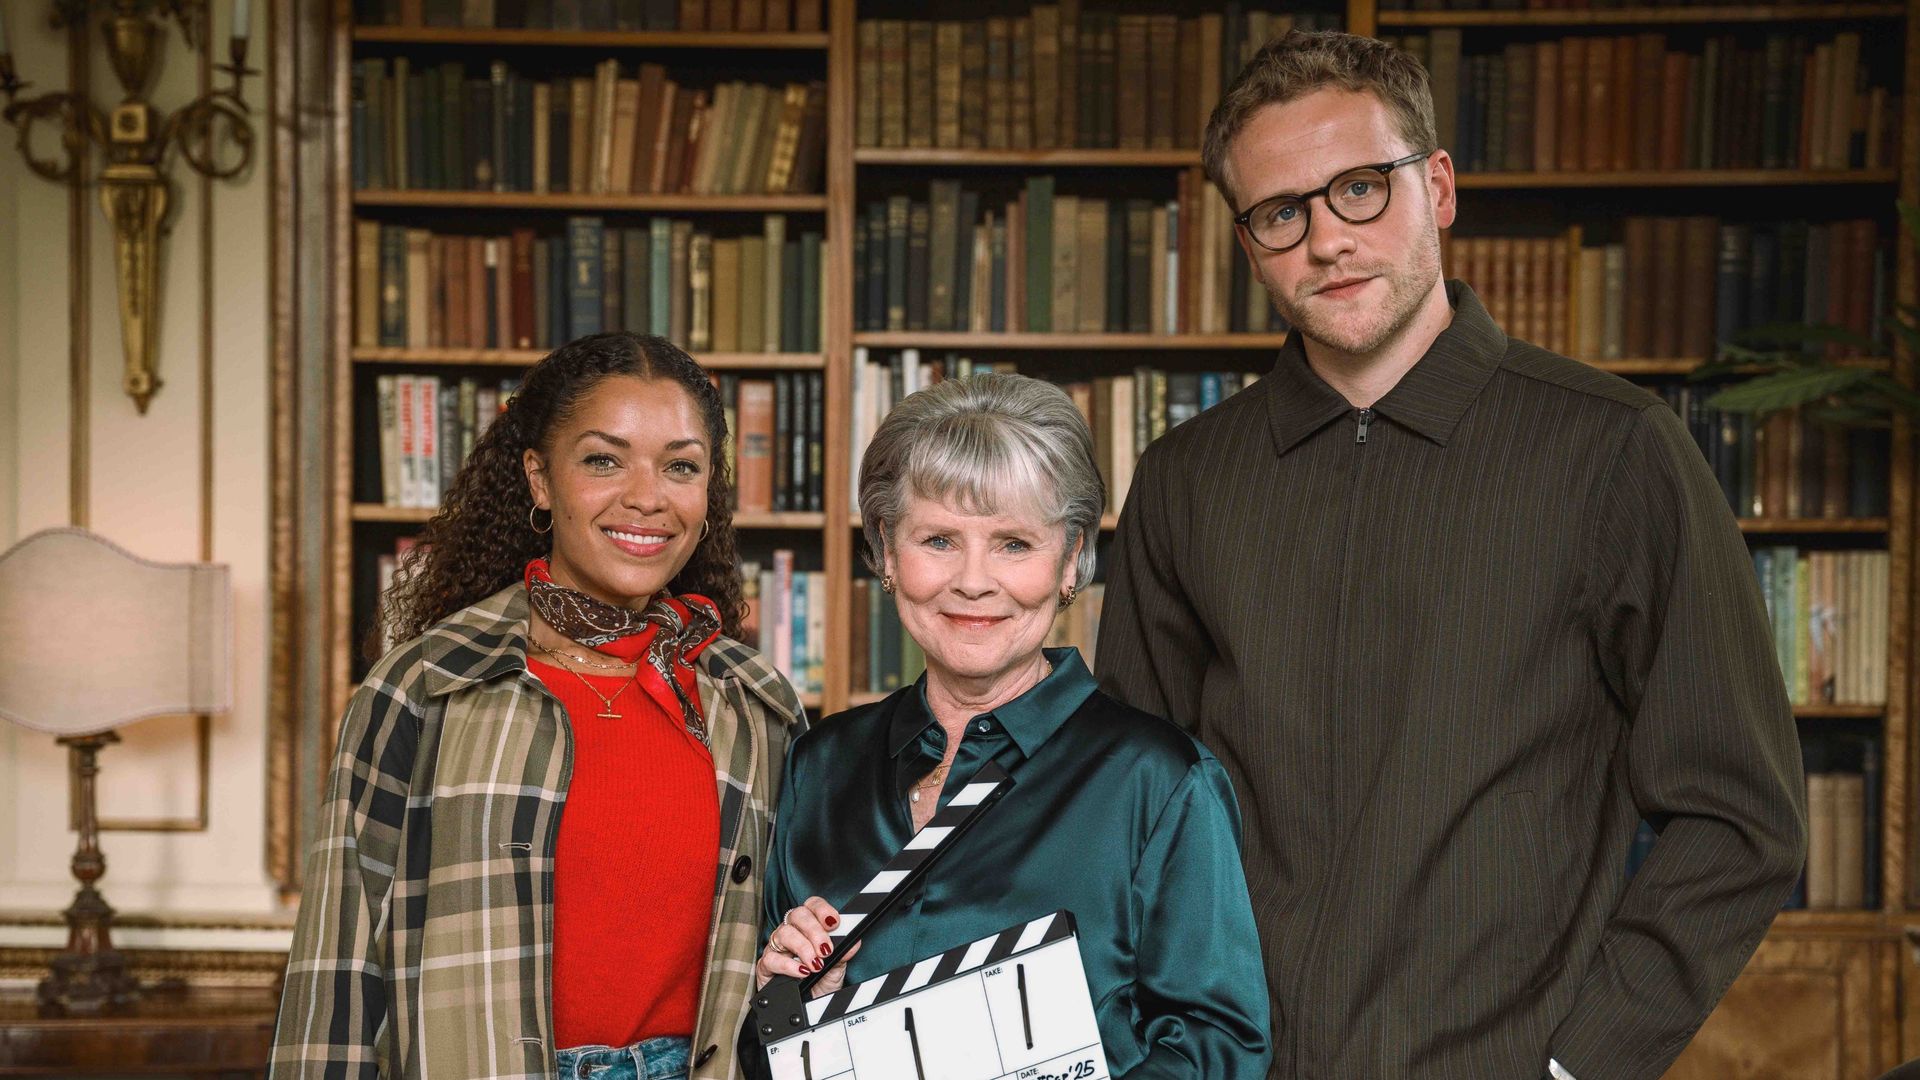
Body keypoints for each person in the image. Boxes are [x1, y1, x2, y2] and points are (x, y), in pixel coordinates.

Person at [1095, 29, 1807, 1080]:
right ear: (1248, 243)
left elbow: (1741, 815)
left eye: (1361, 190)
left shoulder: (1614, 449)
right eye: (1282, 213)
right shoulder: (1183, 481)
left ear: (1437, 186)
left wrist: (1581, 1064)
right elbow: (1129, 820)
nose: (1327, 241)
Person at [269, 333, 806, 1080]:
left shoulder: (759, 707)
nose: (647, 497)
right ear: (541, 480)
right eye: (603, 459)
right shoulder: (426, 686)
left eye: (680, 466)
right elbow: (336, 970)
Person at [754, 373, 1270, 1078]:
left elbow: (1217, 1048)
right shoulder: (819, 764)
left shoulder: (1159, 780)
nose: (972, 581)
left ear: (1069, 560)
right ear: (886, 552)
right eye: (937, 539)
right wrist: (784, 997)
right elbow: (765, 1049)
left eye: (1014, 544)